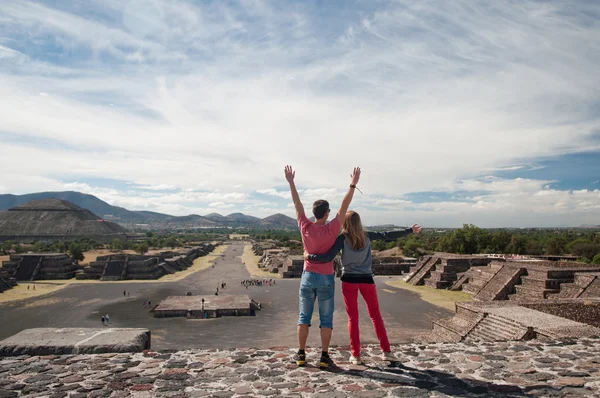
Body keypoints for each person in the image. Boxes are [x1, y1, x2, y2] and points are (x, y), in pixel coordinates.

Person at [306, 211, 422, 364]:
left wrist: (309, 256)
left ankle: (356, 355)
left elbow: (328, 257)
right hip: (367, 279)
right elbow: (388, 235)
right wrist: (409, 231)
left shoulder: (342, 238)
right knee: (375, 316)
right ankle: (386, 351)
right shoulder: (367, 235)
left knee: (352, 318)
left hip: (349, 280)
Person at [285, 165, 361, 370]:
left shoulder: (305, 227)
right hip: (326, 277)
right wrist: (353, 183)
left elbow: (296, 203)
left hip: (308, 276)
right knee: (326, 319)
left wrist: (291, 182)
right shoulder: (332, 228)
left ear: (313, 213)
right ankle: (323, 356)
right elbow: (345, 205)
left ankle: (301, 355)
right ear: (327, 213)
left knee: (304, 317)